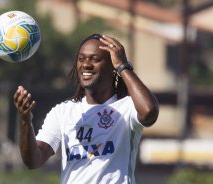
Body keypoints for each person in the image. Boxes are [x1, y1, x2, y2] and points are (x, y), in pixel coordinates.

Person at [14, 33, 159, 184]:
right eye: (81, 59)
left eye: (95, 59)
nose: (86, 64)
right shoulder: (63, 112)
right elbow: (33, 161)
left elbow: (149, 112)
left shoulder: (127, 107)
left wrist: (123, 66)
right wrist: (25, 120)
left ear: (113, 67)